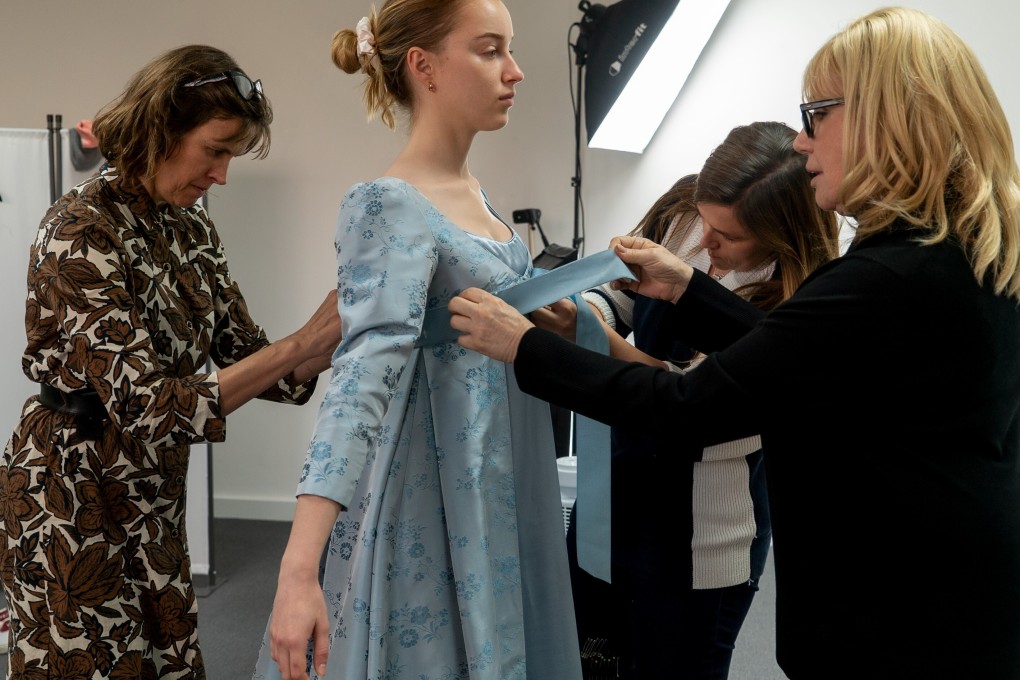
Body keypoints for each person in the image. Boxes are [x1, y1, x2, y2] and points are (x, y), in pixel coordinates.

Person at [448, 7, 1020, 678]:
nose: (803, 143)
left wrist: (527, 347)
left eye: (816, 117)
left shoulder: (886, 278)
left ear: (880, 117)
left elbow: (693, 405)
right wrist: (690, 289)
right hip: (950, 596)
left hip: (899, 621)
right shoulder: (958, 253)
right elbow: (804, 366)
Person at [254, 2, 584, 679]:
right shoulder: (389, 202)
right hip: (433, 495)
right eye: (490, 50)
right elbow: (358, 381)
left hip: (501, 476)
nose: (515, 71)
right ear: (423, 66)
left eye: (510, 50)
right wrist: (296, 570)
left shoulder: (479, 198)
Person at [0, 45, 343, 676]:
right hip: (72, 489)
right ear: (161, 129)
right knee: (94, 662)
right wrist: (298, 344)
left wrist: (336, 335)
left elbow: (248, 355)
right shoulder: (80, 228)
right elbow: (149, 405)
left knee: (166, 654)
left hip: (150, 485)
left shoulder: (191, 228)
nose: (221, 174)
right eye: (214, 150)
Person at [539, 122, 838, 680]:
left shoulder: (798, 296)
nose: (704, 244)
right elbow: (619, 295)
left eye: (728, 236)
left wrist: (594, 345)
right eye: (704, 221)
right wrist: (583, 315)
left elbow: (695, 400)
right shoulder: (681, 213)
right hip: (611, 500)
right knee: (592, 663)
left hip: (702, 539)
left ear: (782, 232)